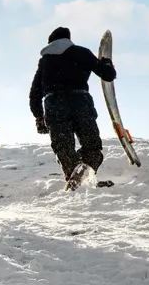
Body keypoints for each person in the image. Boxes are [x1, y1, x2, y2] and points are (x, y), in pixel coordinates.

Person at [28, 26, 116, 190]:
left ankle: (77, 178)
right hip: (80, 101)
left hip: (54, 105)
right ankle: (84, 175)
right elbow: (108, 75)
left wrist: (39, 117)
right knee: (92, 147)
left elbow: (34, 94)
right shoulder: (81, 52)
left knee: (63, 148)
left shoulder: (45, 61)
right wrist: (106, 62)